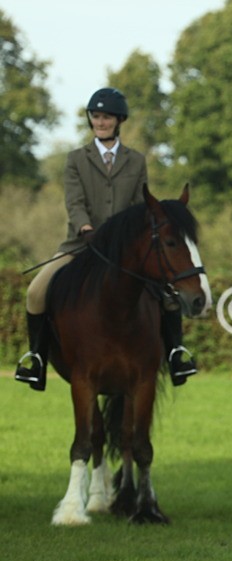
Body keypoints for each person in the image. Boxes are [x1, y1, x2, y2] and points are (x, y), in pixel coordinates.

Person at [14, 87, 197, 391]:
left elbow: (139, 206)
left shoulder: (135, 161)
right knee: (36, 292)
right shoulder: (76, 159)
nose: (100, 122)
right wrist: (86, 228)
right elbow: (74, 202)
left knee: (167, 295)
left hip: (125, 252)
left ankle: (177, 354)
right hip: (81, 245)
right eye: (96, 116)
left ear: (119, 120)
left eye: (107, 117)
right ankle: (36, 359)